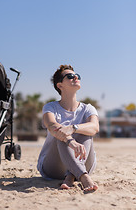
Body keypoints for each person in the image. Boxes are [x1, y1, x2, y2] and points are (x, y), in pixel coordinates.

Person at [37, 64, 99, 193]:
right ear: (60, 85)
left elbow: (94, 127)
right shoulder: (50, 107)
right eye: (70, 76)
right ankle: (83, 177)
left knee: (85, 131)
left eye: (77, 76)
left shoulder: (88, 108)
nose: (75, 77)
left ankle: (70, 176)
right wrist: (70, 140)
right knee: (60, 133)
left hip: (85, 162)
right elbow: (51, 125)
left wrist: (73, 128)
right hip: (53, 167)